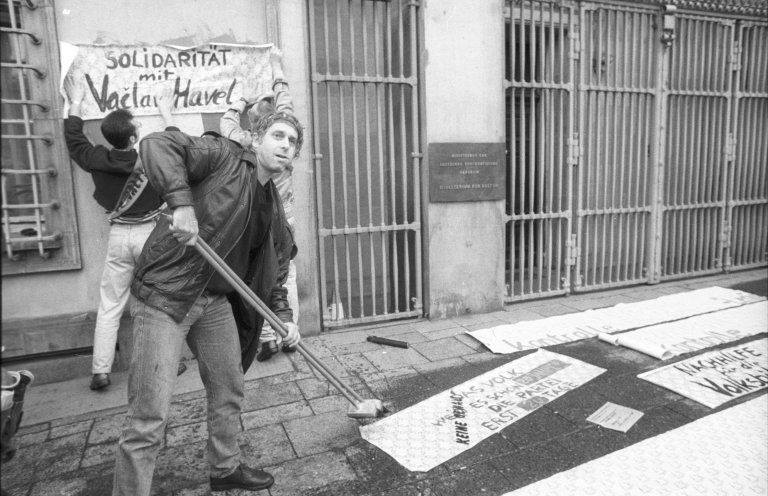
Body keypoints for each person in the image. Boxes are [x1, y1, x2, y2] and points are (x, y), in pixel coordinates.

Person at [113, 104, 303, 495]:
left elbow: (273, 269)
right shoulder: (223, 157)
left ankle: (225, 466)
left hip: (213, 302)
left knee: (228, 386)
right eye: (278, 136)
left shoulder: (272, 205)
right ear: (255, 139)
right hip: (165, 297)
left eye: (293, 141)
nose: (286, 145)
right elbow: (157, 143)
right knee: (149, 415)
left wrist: (283, 318)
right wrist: (182, 203)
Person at [63, 82, 185, 391]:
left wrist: (75, 103)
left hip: (118, 237)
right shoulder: (150, 159)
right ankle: (170, 362)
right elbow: (178, 147)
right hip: (150, 237)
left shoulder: (95, 158)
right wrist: (166, 111)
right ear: (132, 138)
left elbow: (74, 139)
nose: (142, 128)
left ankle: (101, 371)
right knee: (160, 301)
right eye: (138, 127)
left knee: (110, 305)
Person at [220, 46, 300, 362]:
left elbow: (226, 121)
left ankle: (267, 339)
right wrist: (276, 66)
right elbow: (286, 100)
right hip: (284, 221)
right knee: (283, 276)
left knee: (258, 275)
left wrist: (241, 99)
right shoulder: (286, 137)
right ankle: (286, 332)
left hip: (254, 222)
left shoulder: (244, 139)